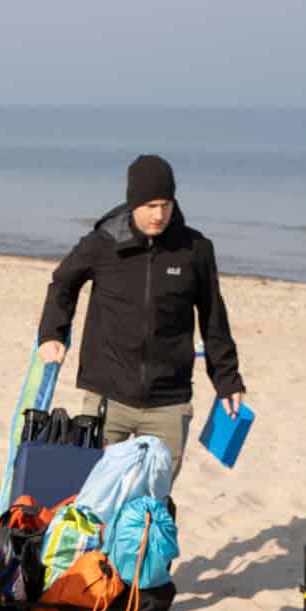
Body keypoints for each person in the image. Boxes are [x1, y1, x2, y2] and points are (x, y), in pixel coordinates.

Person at [35, 155, 244, 477]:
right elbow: (63, 284)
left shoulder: (195, 249)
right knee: (95, 498)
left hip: (169, 401)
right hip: (108, 395)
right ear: (133, 203)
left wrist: (227, 380)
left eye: (166, 204)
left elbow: (213, 316)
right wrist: (51, 333)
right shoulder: (102, 244)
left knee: (152, 503)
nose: (159, 215)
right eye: (150, 206)